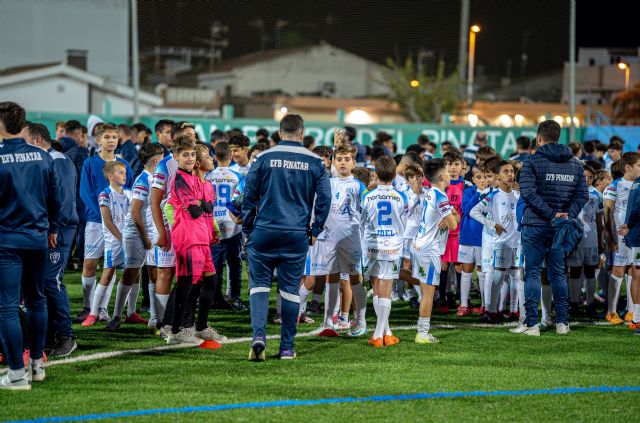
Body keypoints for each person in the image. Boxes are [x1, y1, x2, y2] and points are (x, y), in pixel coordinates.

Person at [242, 114, 331, 361]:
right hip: (296, 233)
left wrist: (248, 228)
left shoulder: (263, 158)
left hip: (265, 230)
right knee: (290, 290)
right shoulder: (316, 162)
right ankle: (287, 348)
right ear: (302, 134)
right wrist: (316, 229)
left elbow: (249, 195)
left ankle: (259, 336)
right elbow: (325, 199)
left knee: (259, 286)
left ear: (279, 133)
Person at [0, 101, 60, 389]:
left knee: (7, 307)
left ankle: (16, 374)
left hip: (6, 241)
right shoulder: (43, 156)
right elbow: (55, 197)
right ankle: (37, 365)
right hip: (38, 238)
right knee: (37, 300)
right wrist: (52, 228)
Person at [512, 120, 588, 336]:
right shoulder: (575, 164)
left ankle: (532, 324)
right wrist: (565, 216)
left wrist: (551, 215)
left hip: (536, 224)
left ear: (538, 138)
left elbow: (528, 193)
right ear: (558, 137)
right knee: (558, 273)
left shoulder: (532, 162)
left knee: (533, 273)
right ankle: (562, 323)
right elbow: (582, 195)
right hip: (560, 227)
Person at [22, 122, 79, 357]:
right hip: (46, 230)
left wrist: (51, 228)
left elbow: (62, 201)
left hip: (58, 231)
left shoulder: (57, 161)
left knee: (51, 282)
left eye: (23, 140)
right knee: (40, 284)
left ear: (36, 141)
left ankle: (66, 336)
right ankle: (46, 335)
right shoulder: (48, 160)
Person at [166, 140, 225, 344]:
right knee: (185, 282)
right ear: (176, 157)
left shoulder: (197, 180)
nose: (190, 158)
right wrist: (201, 204)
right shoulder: (180, 179)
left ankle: (200, 327)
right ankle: (175, 330)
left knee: (211, 281)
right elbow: (196, 209)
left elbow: (208, 208)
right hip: (187, 237)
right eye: (185, 155)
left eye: (192, 154)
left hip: (202, 237)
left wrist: (202, 205)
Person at [76, 124, 134, 323]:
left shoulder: (124, 164)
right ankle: (87, 306)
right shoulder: (90, 163)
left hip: (118, 224)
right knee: (90, 264)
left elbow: (130, 192)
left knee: (112, 266)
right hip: (95, 221)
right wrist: (102, 215)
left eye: (114, 137)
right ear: (98, 141)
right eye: (107, 137)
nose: (111, 140)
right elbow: (85, 192)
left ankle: (101, 309)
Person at [104, 143, 165, 331]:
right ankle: (115, 317)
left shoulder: (156, 178)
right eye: (163, 157)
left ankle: (155, 319)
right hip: (136, 233)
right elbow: (136, 212)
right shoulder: (143, 180)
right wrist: (145, 237)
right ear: (156, 160)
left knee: (154, 273)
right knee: (130, 273)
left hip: (150, 232)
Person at [308, 145, 367, 337]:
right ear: (334, 162)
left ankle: (360, 322)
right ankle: (328, 323)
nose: (343, 162)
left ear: (354, 163)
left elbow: (368, 210)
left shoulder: (359, 186)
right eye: (339, 159)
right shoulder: (328, 182)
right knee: (331, 278)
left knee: (355, 279)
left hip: (351, 239)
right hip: (330, 239)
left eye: (347, 159)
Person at [150, 121, 196, 330]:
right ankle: (162, 321)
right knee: (166, 273)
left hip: (190, 229)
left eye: (194, 135)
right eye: (188, 135)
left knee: (188, 275)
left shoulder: (194, 162)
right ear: (176, 139)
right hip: (170, 227)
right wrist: (161, 231)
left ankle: (182, 320)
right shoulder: (164, 165)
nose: (192, 139)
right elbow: (154, 201)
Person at [361, 156, 408, 348]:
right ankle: (379, 333)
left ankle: (385, 332)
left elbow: (362, 222)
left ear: (376, 173)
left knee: (376, 287)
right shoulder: (401, 196)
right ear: (394, 172)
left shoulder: (368, 196)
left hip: (371, 245)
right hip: (392, 246)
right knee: (386, 289)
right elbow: (404, 223)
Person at [410, 159, 458, 344]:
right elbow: (454, 224)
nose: (449, 172)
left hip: (420, 245)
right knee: (429, 293)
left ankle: (422, 331)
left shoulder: (432, 193)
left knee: (425, 290)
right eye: (447, 169)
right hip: (429, 250)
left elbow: (454, 217)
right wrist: (451, 218)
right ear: (442, 176)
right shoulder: (440, 197)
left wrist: (452, 217)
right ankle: (422, 333)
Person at [470, 160, 521, 323]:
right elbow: (474, 211)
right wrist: (492, 224)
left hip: (518, 242)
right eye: (505, 171)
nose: (510, 174)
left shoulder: (519, 194)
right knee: (498, 276)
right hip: (502, 243)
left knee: (516, 276)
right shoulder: (493, 196)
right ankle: (491, 311)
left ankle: (514, 310)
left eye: (512, 171)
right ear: (498, 176)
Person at [206, 141, 246, 310]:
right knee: (234, 263)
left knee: (215, 264)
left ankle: (215, 298)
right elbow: (240, 200)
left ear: (214, 157)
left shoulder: (208, 176)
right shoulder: (236, 176)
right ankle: (235, 298)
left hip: (213, 224)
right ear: (230, 156)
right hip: (232, 224)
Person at [603, 152, 640, 324]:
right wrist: (610, 237)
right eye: (639, 166)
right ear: (628, 167)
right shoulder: (614, 186)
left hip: (636, 234)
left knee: (635, 270)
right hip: (620, 237)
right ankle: (611, 311)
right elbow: (607, 214)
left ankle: (632, 312)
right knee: (618, 270)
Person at [567, 164, 603, 319]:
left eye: (590, 177)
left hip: (592, 241)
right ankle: (574, 303)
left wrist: (601, 240)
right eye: (584, 176)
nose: (587, 179)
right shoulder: (570, 193)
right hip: (576, 242)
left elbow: (599, 219)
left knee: (590, 273)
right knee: (574, 272)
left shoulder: (596, 195)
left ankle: (590, 304)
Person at [457, 164, 489, 316]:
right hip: (468, 236)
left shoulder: (493, 193)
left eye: (485, 177)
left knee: (482, 272)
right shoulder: (469, 192)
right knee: (466, 271)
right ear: (473, 179)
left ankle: (485, 305)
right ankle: (463, 304)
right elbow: (466, 209)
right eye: (478, 177)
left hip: (485, 239)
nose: (482, 180)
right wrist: (478, 193)